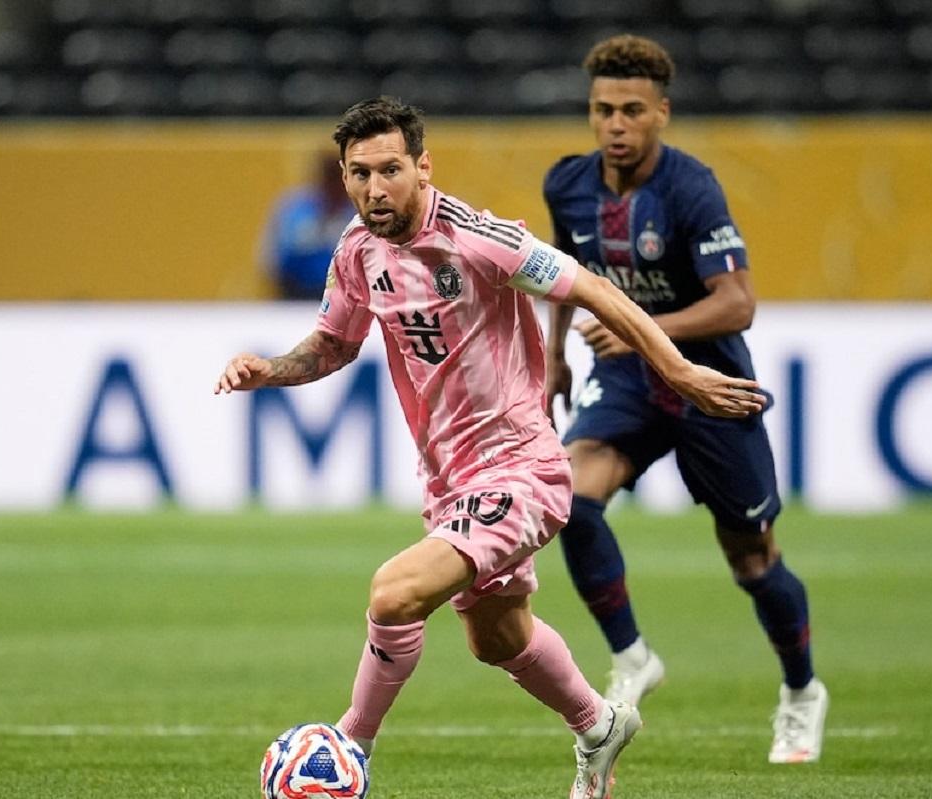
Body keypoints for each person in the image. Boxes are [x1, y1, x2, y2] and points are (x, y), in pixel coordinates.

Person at [216, 96, 767, 798]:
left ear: (423, 166)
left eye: (390, 170)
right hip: (449, 479)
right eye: (359, 173)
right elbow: (334, 343)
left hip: (521, 467)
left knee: (395, 593)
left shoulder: (477, 238)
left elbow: (594, 289)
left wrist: (680, 371)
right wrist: (271, 369)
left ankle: (351, 746)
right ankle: (598, 724)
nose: (374, 189)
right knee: (497, 637)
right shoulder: (357, 249)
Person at [541, 35, 829, 764]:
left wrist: (640, 330)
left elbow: (738, 303)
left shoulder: (691, 189)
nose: (615, 124)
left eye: (632, 110)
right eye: (604, 109)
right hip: (629, 383)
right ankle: (632, 656)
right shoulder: (567, 185)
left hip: (710, 386)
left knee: (753, 561)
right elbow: (562, 273)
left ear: (661, 113)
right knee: (570, 496)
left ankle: (801, 692)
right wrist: (553, 356)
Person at [258, 150, 355, 299]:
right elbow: (271, 258)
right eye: (331, 179)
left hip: (345, 298)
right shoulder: (294, 209)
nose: (336, 187)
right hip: (295, 295)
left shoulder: (358, 214)